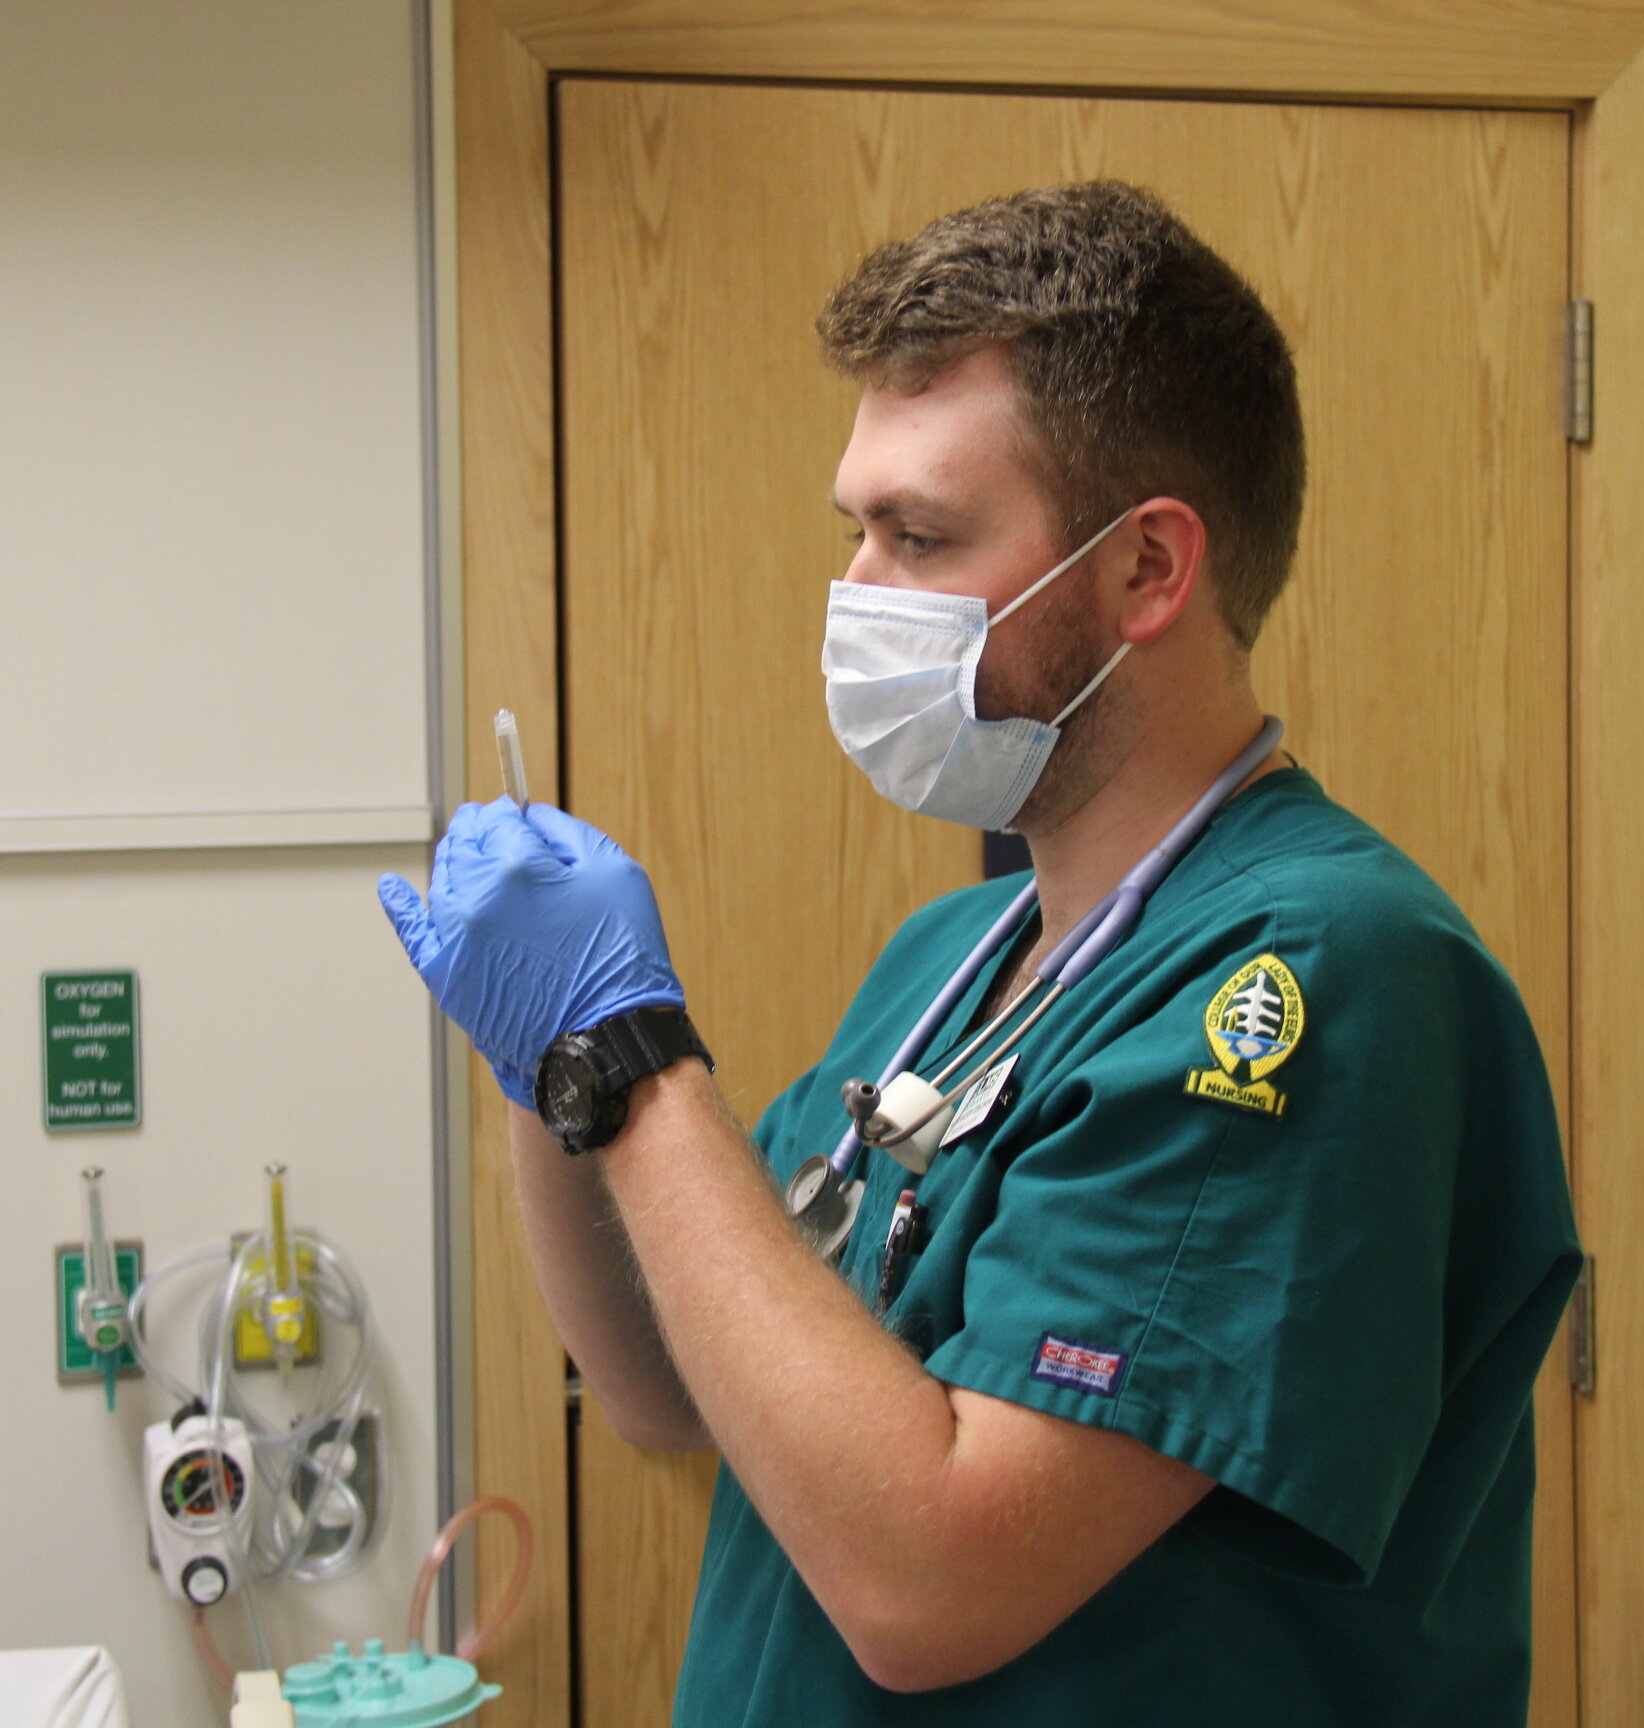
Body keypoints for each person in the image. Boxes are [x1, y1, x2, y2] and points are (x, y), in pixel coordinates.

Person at [379, 182, 1581, 1726]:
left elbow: (926, 1583)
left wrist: (633, 1058)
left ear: (1149, 569)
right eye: (854, 530)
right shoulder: (954, 954)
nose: (855, 597)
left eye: (919, 535)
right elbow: (667, 1389)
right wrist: (548, 1067)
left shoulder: (1311, 980)